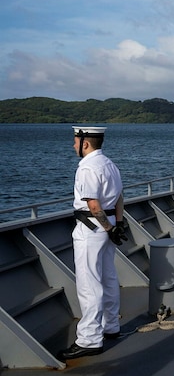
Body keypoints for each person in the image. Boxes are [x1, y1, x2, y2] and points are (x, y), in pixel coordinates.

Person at [60, 126, 126, 360]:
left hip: (92, 227)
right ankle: (111, 326)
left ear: (85, 143)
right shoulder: (110, 164)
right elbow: (119, 197)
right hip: (108, 225)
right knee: (108, 277)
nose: (73, 145)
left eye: (75, 141)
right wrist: (116, 225)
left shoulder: (87, 167)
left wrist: (108, 228)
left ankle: (89, 339)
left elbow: (93, 204)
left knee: (89, 283)